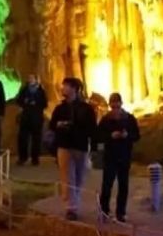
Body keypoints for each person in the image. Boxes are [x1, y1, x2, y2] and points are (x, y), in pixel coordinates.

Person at [50, 77, 97, 221]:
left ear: (74, 89)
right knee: (67, 177)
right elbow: (52, 125)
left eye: (66, 86)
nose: (62, 88)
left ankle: (74, 202)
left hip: (80, 145)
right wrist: (59, 126)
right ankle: (71, 208)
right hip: (64, 145)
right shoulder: (60, 108)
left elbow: (92, 128)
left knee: (79, 177)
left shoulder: (86, 108)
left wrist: (93, 147)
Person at [96, 93, 140, 222]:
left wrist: (127, 135)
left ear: (121, 103)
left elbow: (136, 135)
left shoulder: (130, 119)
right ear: (110, 105)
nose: (115, 107)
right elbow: (98, 136)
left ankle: (121, 212)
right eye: (112, 104)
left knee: (123, 185)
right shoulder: (105, 120)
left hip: (124, 155)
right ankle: (104, 210)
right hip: (110, 156)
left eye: (117, 103)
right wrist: (110, 136)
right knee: (107, 185)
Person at [15, 74, 48, 165]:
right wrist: (25, 102)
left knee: (36, 139)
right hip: (25, 117)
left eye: (32, 78)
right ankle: (23, 157)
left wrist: (36, 103)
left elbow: (45, 103)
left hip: (36, 118)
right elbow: (19, 100)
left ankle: (35, 158)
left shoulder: (41, 91)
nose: (30, 79)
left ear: (36, 80)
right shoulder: (24, 89)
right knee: (23, 138)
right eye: (29, 78)